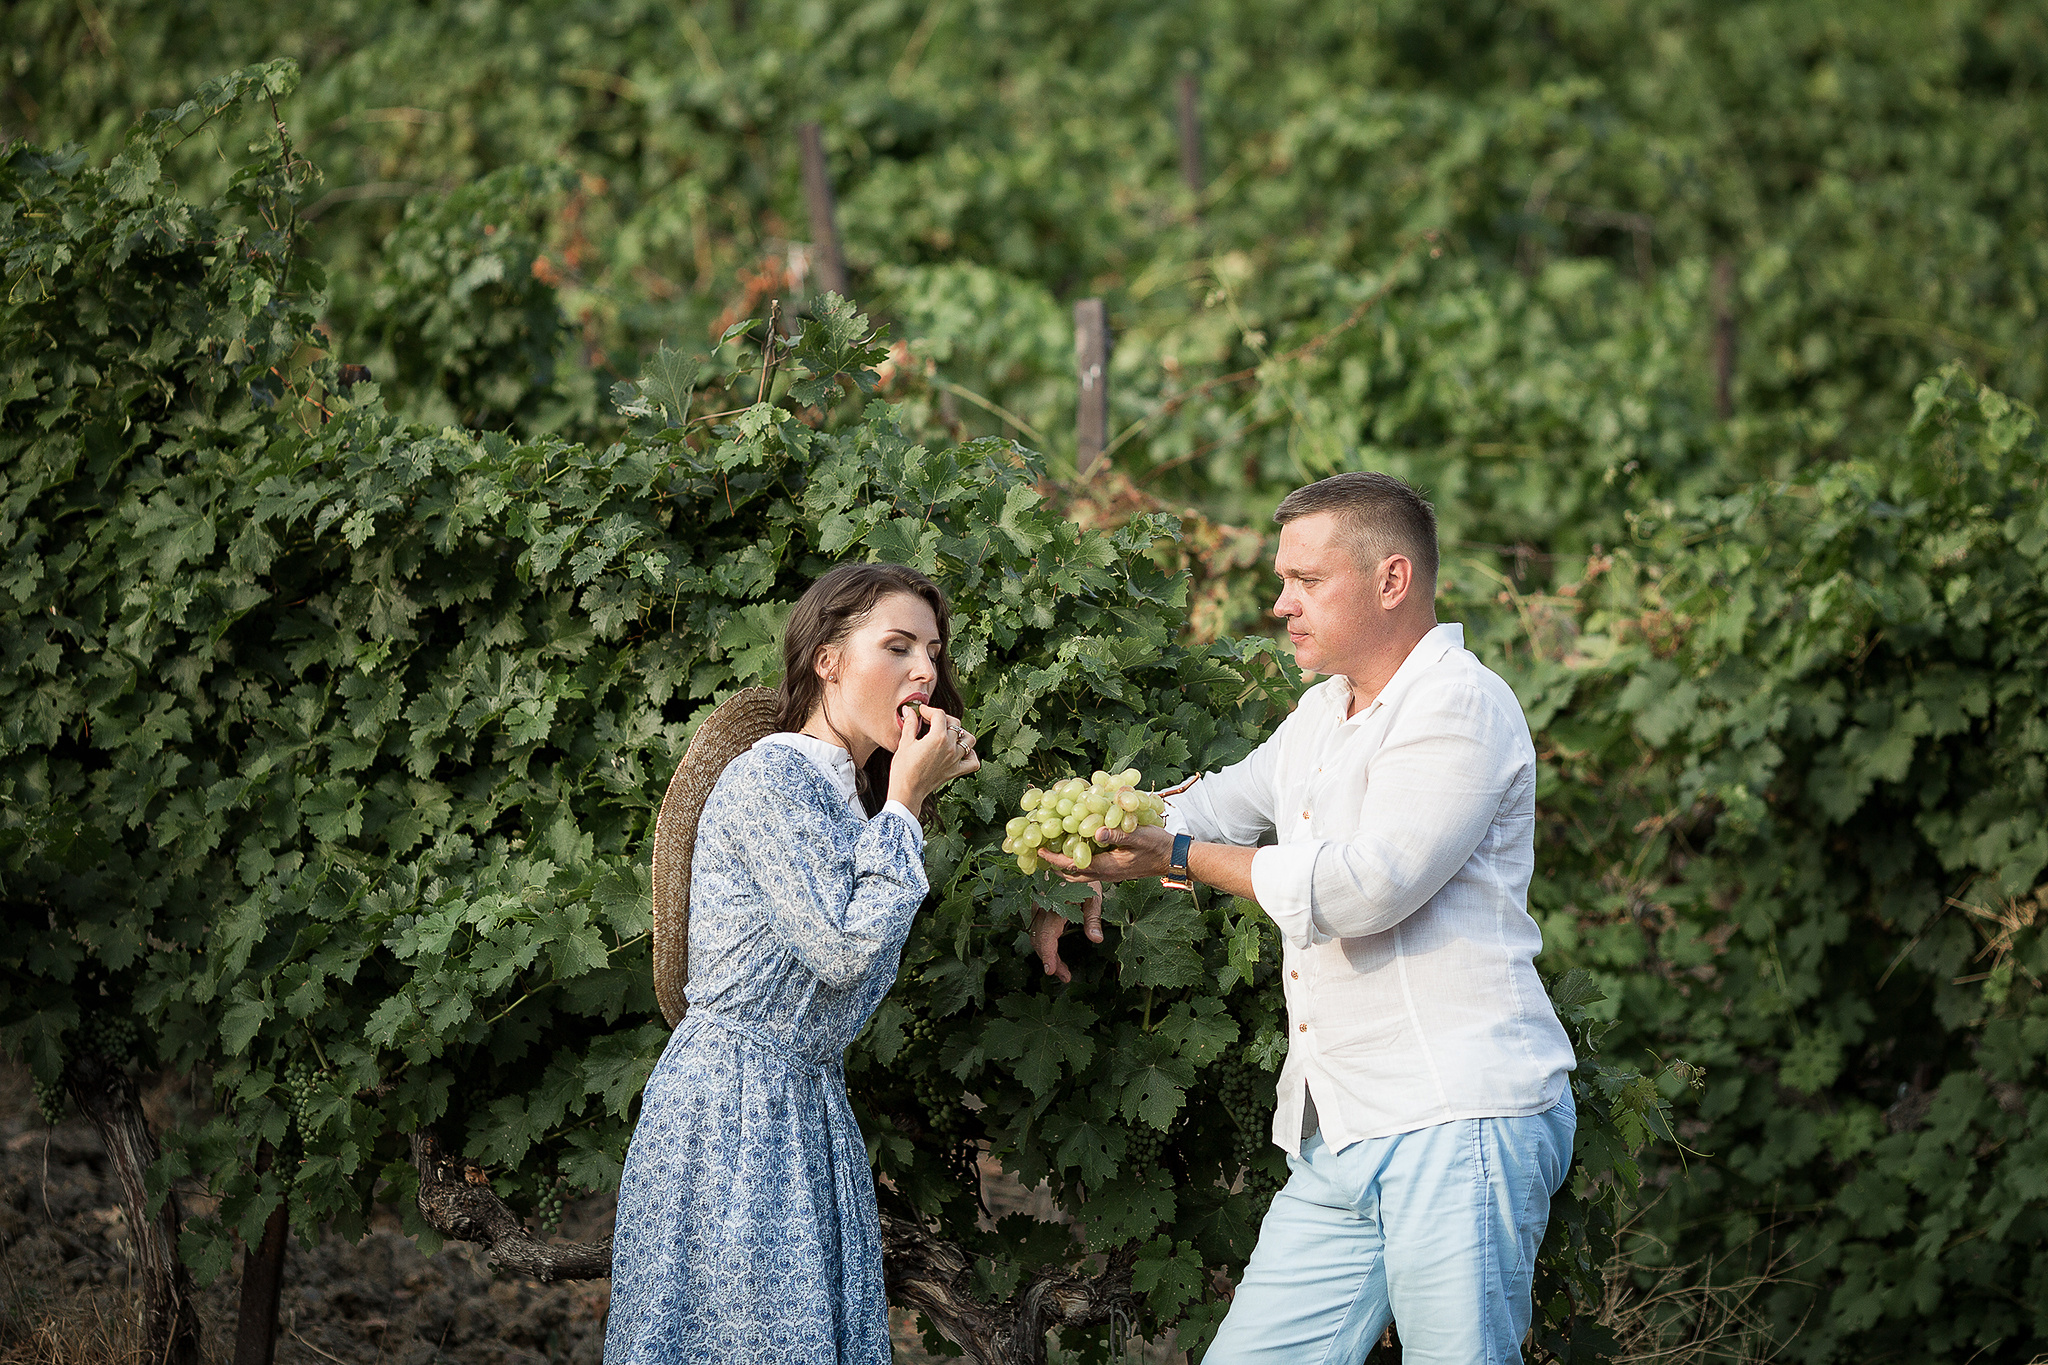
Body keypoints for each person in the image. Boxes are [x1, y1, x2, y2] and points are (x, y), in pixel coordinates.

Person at [1032, 472, 1577, 1364]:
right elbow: (1213, 805)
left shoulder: (1459, 704)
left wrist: (1172, 859)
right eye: (1283, 580)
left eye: (1308, 581)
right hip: (1339, 1127)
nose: (1281, 603)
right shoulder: (1321, 714)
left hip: (1454, 1116)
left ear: (1392, 579)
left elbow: (1369, 887)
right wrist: (1092, 865)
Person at [605, 563, 980, 1365]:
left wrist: (899, 804)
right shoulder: (774, 777)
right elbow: (844, 950)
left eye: (934, 653)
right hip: (730, 1109)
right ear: (829, 660)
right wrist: (907, 805)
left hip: (799, 1103)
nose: (927, 671)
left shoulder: (846, 797)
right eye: (899, 646)